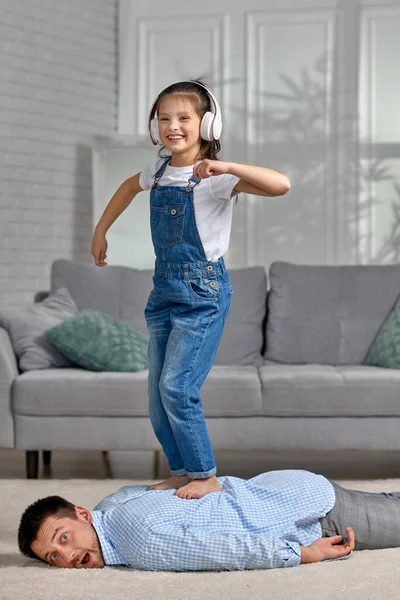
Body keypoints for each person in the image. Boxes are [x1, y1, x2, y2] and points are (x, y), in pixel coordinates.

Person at [90, 80, 291, 500]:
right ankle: (183, 470)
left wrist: (229, 167)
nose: (173, 126)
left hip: (203, 292)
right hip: (163, 289)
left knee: (177, 388)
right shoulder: (157, 170)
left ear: (208, 124)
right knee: (156, 394)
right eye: (164, 118)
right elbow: (128, 188)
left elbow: (281, 185)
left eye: (184, 118)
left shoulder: (214, 178)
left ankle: (205, 474)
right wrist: (101, 229)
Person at [19, 467, 400, 571]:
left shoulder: (143, 543)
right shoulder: (112, 504)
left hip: (311, 514)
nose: (66, 557)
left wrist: (304, 555)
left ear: (81, 515)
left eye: (63, 538)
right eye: (54, 556)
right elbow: (160, 485)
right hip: (281, 487)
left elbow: (227, 551)